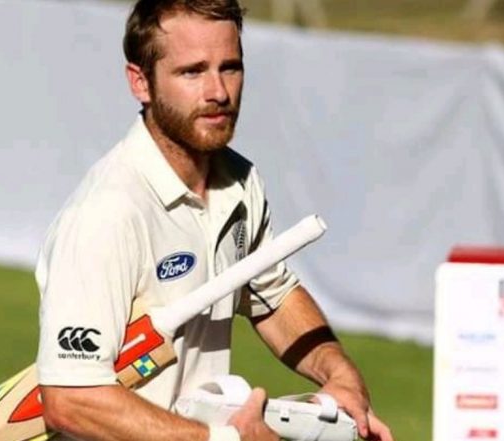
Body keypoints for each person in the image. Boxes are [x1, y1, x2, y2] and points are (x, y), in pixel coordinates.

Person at [35, 1, 394, 440]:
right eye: (192, 72)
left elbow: (273, 295)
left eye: (230, 67)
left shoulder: (240, 183)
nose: (218, 92)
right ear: (140, 83)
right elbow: (71, 399)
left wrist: (340, 376)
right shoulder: (106, 214)